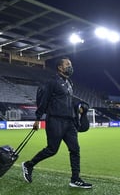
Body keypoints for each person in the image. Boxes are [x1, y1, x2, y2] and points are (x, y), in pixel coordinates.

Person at [21, 57, 92, 189]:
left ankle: (75, 179)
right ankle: (28, 165)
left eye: (70, 64)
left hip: (69, 122)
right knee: (52, 150)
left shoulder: (69, 83)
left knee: (75, 149)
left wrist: (80, 108)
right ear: (60, 67)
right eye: (67, 64)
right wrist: (37, 119)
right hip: (55, 120)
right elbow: (44, 100)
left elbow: (69, 100)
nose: (70, 66)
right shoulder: (52, 82)